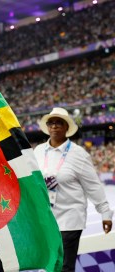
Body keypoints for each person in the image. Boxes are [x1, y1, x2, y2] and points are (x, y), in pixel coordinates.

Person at [33, 107, 113, 272]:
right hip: (48, 219)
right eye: (51, 123)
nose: (54, 126)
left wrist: (105, 213)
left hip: (70, 218)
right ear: (47, 126)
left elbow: (93, 186)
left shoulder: (79, 154)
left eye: (59, 123)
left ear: (67, 127)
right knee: (52, 264)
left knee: (64, 266)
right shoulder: (38, 151)